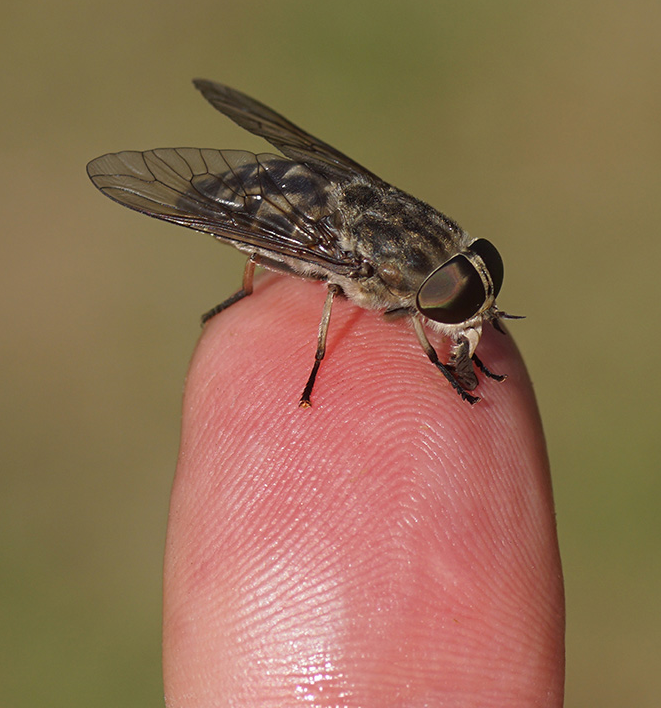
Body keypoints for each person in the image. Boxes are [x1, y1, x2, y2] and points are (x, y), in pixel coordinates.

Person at [162, 274, 565, 705]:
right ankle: (252, 295)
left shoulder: (428, 285)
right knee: (276, 247)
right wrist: (430, 358)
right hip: (338, 239)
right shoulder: (384, 281)